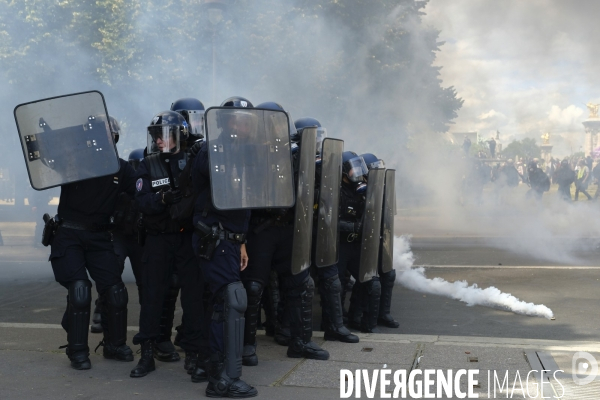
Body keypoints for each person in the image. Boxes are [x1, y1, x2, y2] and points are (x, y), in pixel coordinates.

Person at [48, 115, 136, 370]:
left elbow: (141, 192)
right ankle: (77, 350)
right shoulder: (74, 161)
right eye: (99, 133)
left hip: (99, 236)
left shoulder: (122, 168)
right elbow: (47, 157)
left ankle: (114, 344)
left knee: (116, 290)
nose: (105, 138)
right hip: (69, 234)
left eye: (109, 133)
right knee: (80, 289)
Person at [191, 96, 258, 398]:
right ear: (224, 122)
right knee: (230, 301)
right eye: (237, 119)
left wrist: (241, 241)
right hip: (213, 238)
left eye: (248, 120)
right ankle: (222, 379)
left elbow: (242, 204)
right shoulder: (211, 149)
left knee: (223, 302)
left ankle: (213, 366)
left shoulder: (245, 154)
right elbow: (213, 175)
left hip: (230, 239)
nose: (244, 125)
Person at [130, 110, 199, 378]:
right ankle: (147, 354)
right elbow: (141, 201)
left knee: (193, 298)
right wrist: (162, 200)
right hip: (158, 239)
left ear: (180, 136)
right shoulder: (148, 164)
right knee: (152, 296)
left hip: (186, 238)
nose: (159, 141)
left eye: (165, 136)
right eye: (156, 136)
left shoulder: (194, 160)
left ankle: (193, 354)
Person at [338, 152, 382, 333]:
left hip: (356, 245)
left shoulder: (362, 191)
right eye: (352, 168)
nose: (357, 173)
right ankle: (336, 322)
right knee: (336, 286)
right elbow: (326, 220)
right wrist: (353, 227)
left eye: (359, 167)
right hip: (339, 245)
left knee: (371, 281)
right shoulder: (334, 191)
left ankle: (359, 319)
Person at [360, 153, 399, 328]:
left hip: (378, 239)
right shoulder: (359, 191)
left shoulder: (382, 190)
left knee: (388, 274)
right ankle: (359, 316)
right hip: (360, 243)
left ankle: (383, 314)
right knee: (368, 280)